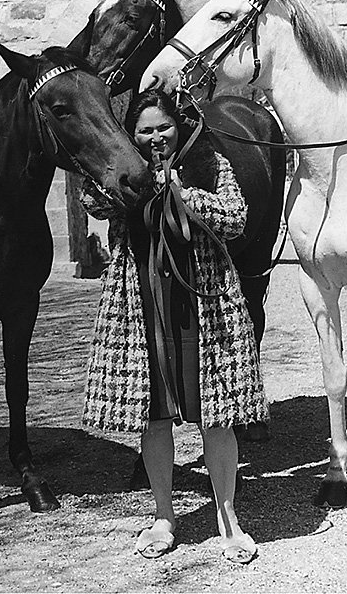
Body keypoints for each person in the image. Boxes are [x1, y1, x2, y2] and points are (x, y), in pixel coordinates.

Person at [80, 90, 267, 564]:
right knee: (154, 416)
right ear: (133, 135)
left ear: (178, 126)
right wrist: (130, 180)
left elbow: (236, 217)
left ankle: (228, 518)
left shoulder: (208, 163)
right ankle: (163, 515)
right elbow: (92, 199)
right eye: (145, 130)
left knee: (216, 414)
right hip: (141, 304)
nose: (156, 137)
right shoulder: (125, 167)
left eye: (163, 127)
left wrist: (185, 194)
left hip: (203, 305)